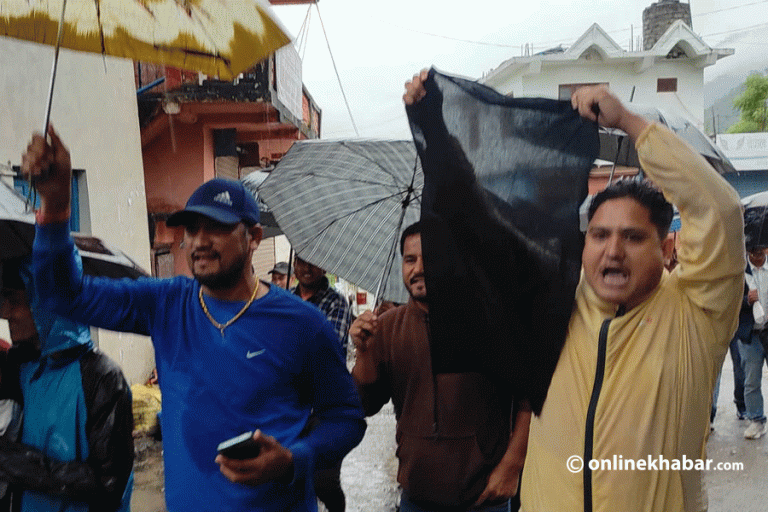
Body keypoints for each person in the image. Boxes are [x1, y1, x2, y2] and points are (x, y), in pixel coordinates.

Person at [22, 130, 366, 512]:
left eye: (216, 227)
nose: (199, 241)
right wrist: (55, 207)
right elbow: (62, 296)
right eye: (192, 229)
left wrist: (293, 459)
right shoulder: (166, 303)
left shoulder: (302, 324)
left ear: (253, 237)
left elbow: (346, 417)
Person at [517, 87, 743, 511]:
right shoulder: (557, 303)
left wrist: (628, 122)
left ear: (665, 249)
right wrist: (434, 119)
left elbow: (719, 210)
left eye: (633, 237)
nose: (613, 250)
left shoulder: (698, 313)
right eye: (599, 235)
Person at [351, 221, 532, 512]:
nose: (419, 268)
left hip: (484, 499)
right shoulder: (386, 327)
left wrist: (512, 465)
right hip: (416, 498)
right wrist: (364, 353)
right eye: (410, 260)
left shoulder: (491, 320)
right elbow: (364, 405)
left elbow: (529, 396)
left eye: (431, 257)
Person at [0, 257, 134, 512]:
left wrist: (18, 463)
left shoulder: (101, 377)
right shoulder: (21, 365)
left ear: (48, 304)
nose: (5, 313)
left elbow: (109, 484)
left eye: (15, 301)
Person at [291, 256, 353, 512]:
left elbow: (329, 351)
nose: (306, 268)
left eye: (313, 262)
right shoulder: (283, 299)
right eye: (301, 262)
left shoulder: (336, 304)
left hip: (325, 411)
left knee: (324, 481)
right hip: (290, 409)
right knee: (291, 479)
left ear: (326, 266)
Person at [738, 245, 768, 439]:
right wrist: (746, 300)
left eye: (760, 252)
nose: (756, 256)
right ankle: (756, 420)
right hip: (751, 334)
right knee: (751, 380)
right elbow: (727, 300)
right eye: (752, 252)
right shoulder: (739, 272)